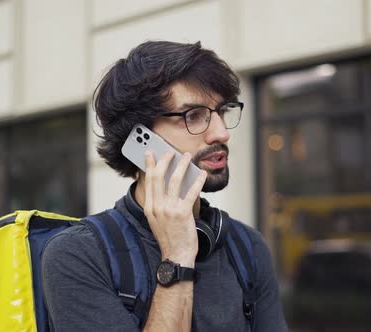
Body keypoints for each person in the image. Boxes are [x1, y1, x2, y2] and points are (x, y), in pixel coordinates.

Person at [41, 40, 287, 331]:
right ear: (139, 139)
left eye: (222, 111)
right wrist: (177, 257)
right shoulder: (78, 255)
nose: (221, 132)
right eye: (193, 116)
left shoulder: (247, 247)